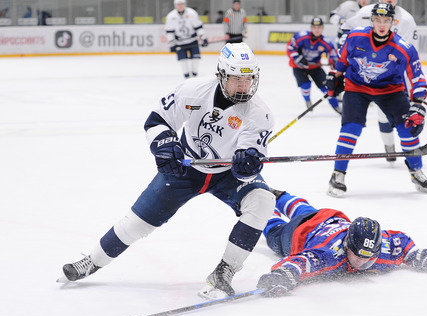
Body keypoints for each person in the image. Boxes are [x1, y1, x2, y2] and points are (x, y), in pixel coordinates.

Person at [61, 43, 276, 301]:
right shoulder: (193, 92)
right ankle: (92, 260)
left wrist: (247, 165)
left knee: (263, 201)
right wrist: (164, 146)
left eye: (248, 79)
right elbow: (156, 121)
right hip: (185, 167)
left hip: (226, 173)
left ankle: (224, 272)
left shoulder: (259, 114)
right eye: (236, 79)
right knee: (135, 224)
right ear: (221, 75)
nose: (243, 86)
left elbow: (249, 164)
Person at [325, 3, 427, 197]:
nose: (382, 24)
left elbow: (417, 77)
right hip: (357, 87)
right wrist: (335, 76)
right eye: (378, 20)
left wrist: (418, 103)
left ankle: (416, 172)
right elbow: (341, 62)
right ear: (372, 20)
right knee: (351, 128)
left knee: (407, 129)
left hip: (390, 90)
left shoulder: (403, 47)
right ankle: (338, 174)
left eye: (386, 21)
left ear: (392, 22)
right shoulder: (356, 36)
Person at [256, 189, 427, 296]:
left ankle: (280, 196)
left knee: (305, 209)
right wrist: (283, 275)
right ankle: (264, 203)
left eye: (369, 258)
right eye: (357, 256)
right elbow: (302, 261)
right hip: (296, 234)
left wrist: (417, 255)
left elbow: (401, 243)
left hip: (325, 217)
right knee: (272, 227)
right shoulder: (329, 254)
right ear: (347, 246)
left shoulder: (381, 248)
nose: (362, 262)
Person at [340, 0, 418, 163]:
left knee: (387, 115)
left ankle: (392, 149)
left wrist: (412, 91)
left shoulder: (406, 20)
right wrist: (345, 63)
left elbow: (411, 55)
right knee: (357, 122)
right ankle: (389, 147)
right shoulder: (365, 12)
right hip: (362, 80)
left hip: (390, 80)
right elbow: (346, 31)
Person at [287, 17, 342, 114]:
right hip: (299, 67)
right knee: (305, 85)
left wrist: (334, 63)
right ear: (311, 28)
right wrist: (297, 58)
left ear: (322, 28)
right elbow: (291, 47)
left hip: (315, 68)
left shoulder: (326, 42)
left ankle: (337, 107)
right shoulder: (301, 37)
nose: (317, 29)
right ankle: (307, 100)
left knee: (328, 88)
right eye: (315, 27)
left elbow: (332, 55)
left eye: (319, 27)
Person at [165, 0, 209, 79]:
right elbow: (169, 31)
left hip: (192, 41)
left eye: (182, 4)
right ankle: (187, 78)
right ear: (175, 5)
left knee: (196, 59)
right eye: (178, 4)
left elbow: (198, 27)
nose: (180, 6)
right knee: (183, 61)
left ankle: (194, 76)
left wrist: (203, 38)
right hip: (179, 42)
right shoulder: (171, 16)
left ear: (184, 4)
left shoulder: (192, 13)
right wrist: (172, 44)